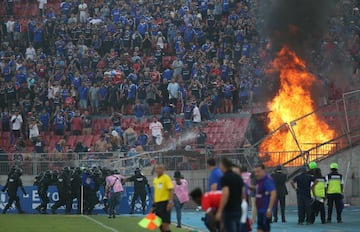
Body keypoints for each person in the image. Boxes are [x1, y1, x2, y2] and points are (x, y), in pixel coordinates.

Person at [215, 158, 245, 232]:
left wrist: (220, 210)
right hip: (238, 209)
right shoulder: (239, 177)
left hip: (229, 210)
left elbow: (225, 194)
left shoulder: (225, 178)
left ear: (223, 166)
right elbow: (243, 194)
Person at [253, 164, 276, 232]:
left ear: (263, 171)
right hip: (260, 210)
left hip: (264, 210)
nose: (256, 174)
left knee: (263, 228)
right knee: (260, 228)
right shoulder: (259, 180)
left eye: (258, 171)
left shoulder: (267, 180)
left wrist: (269, 209)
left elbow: (273, 194)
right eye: (255, 172)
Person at [152, 164, 174, 232]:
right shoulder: (155, 180)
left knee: (165, 224)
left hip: (165, 203)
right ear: (155, 170)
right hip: (157, 204)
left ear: (163, 169)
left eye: (161, 168)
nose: (159, 170)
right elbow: (156, 193)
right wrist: (153, 206)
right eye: (157, 168)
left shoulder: (166, 178)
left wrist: (170, 202)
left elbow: (171, 190)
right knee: (159, 224)